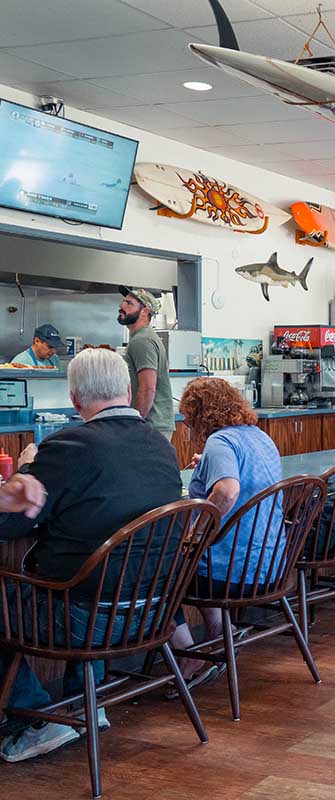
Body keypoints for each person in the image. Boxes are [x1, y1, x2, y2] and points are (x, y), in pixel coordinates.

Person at [0, 348, 182, 761]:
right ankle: (83, 702)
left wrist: (27, 471)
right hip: (153, 613)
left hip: (86, 620)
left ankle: (34, 718)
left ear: (74, 397)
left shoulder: (68, 446)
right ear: (127, 389)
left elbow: (10, 524)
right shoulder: (160, 444)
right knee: (91, 572)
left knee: (55, 589)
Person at [169, 377, 283, 683]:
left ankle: (190, 656)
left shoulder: (218, 442)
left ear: (198, 415)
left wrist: (198, 531)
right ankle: (222, 634)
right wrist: (209, 463)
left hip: (233, 574)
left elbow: (229, 490)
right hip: (270, 566)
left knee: (160, 573)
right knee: (199, 560)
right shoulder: (259, 436)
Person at [118, 287, 174, 439]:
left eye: (129, 304)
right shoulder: (143, 337)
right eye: (123, 302)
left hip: (150, 426)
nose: (121, 307)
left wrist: (135, 422)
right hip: (153, 425)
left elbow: (148, 388)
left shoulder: (142, 341)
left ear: (145, 311)